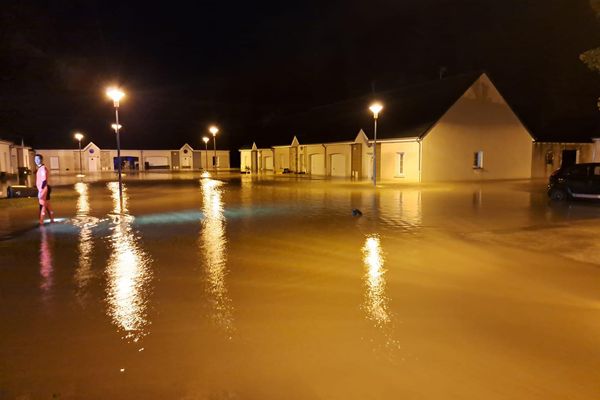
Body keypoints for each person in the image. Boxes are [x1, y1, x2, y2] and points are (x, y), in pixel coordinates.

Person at [35, 154, 54, 225]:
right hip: (45, 188)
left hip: (43, 189)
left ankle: (41, 221)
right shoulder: (41, 168)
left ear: (41, 160)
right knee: (47, 205)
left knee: (43, 205)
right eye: (35, 159)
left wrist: (40, 191)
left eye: (38, 159)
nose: (36, 161)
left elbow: (44, 180)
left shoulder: (42, 169)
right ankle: (52, 220)